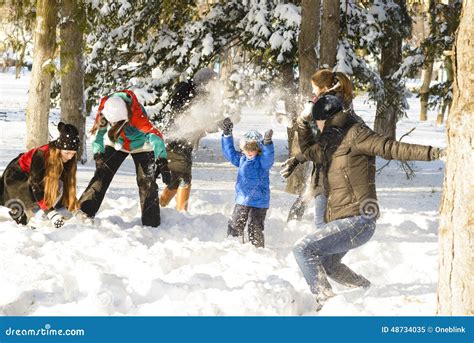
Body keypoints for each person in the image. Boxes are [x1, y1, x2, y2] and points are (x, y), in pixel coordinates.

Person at [293, 93, 445, 311]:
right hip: (346, 219)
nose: (316, 123)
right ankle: (367, 289)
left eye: (316, 120)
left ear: (324, 118)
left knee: (303, 249)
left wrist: (434, 153)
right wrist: (302, 123)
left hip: (360, 219)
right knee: (327, 263)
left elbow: (391, 148)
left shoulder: (356, 134)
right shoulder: (329, 142)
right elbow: (308, 151)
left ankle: (326, 300)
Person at [282, 70, 362, 225]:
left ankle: (316, 237)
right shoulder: (340, 102)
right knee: (312, 196)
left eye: (314, 87)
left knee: (319, 209)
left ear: (324, 87)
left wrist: (304, 119)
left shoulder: (327, 105)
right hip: (331, 162)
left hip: (329, 166)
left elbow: (323, 140)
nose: (312, 90)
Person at [79, 90, 169, 227]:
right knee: (102, 175)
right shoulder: (105, 110)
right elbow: (97, 136)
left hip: (141, 144)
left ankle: (151, 223)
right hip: (117, 142)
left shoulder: (137, 114)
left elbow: (155, 136)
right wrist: (98, 155)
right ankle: (83, 212)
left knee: (147, 182)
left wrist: (162, 160)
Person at [159, 68, 219, 211]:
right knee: (182, 177)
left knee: (179, 178)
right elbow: (182, 115)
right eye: (211, 83)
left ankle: (161, 206)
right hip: (175, 141)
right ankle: (177, 210)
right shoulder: (186, 90)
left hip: (184, 142)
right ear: (204, 82)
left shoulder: (197, 93)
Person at [0, 122, 80, 228]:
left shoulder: (66, 158)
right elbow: (36, 184)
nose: (70, 157)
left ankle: (31, 212)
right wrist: (51, 213)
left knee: (58, 184)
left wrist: (75, 210)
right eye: (67, 153)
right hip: (17, 178)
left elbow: (67, 183)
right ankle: (26, 213)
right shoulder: (41, 155)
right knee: (53, 185)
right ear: (59, 149)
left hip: (34, 179)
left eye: (73, 154)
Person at [220, 118, 274, 248]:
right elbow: (229, 152)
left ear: (259, 149)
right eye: (247, 148)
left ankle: (257, 249)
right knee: (235, 224)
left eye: (253, 149)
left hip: (259, 202)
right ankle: (232, 247)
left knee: (255, 227)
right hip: (242, 200)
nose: (250, 152)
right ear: (243, 148)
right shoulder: (241, 159)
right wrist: (227, 134)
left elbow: (268, 157)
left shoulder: (262, 162)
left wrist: (267, 143)